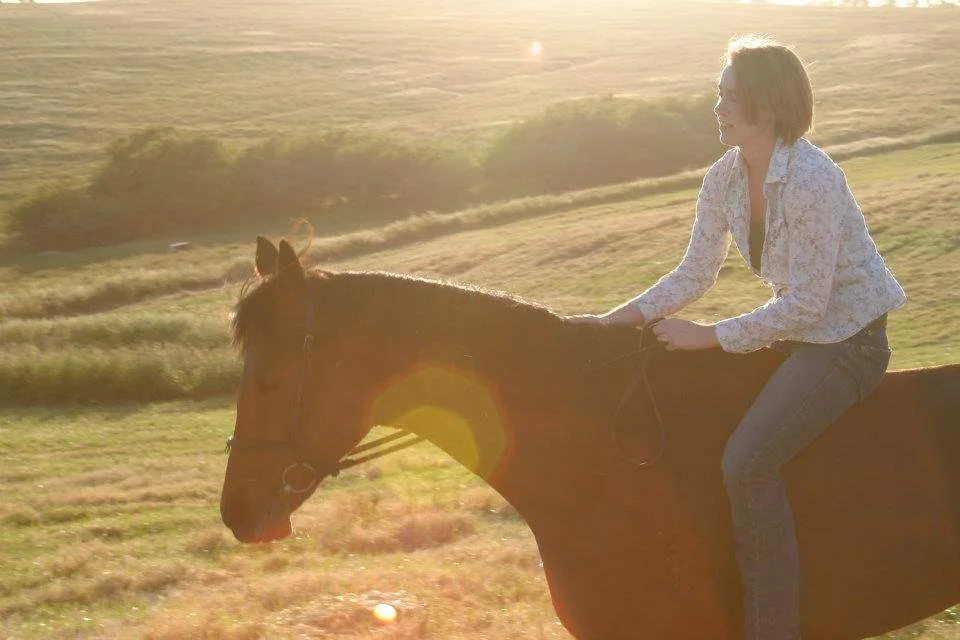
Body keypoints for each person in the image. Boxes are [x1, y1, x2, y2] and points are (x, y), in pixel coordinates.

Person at [566, 35, 906, 639]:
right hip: (799, 337)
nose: (717, 108)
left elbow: (806, 304)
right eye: (718, 95)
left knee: (747, 463)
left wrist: (711, 337)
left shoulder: (813, 179)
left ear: (768, 108)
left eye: (730, 97)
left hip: (848, 343)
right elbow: (695, 272)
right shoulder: (723, 179)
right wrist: (614, 323)